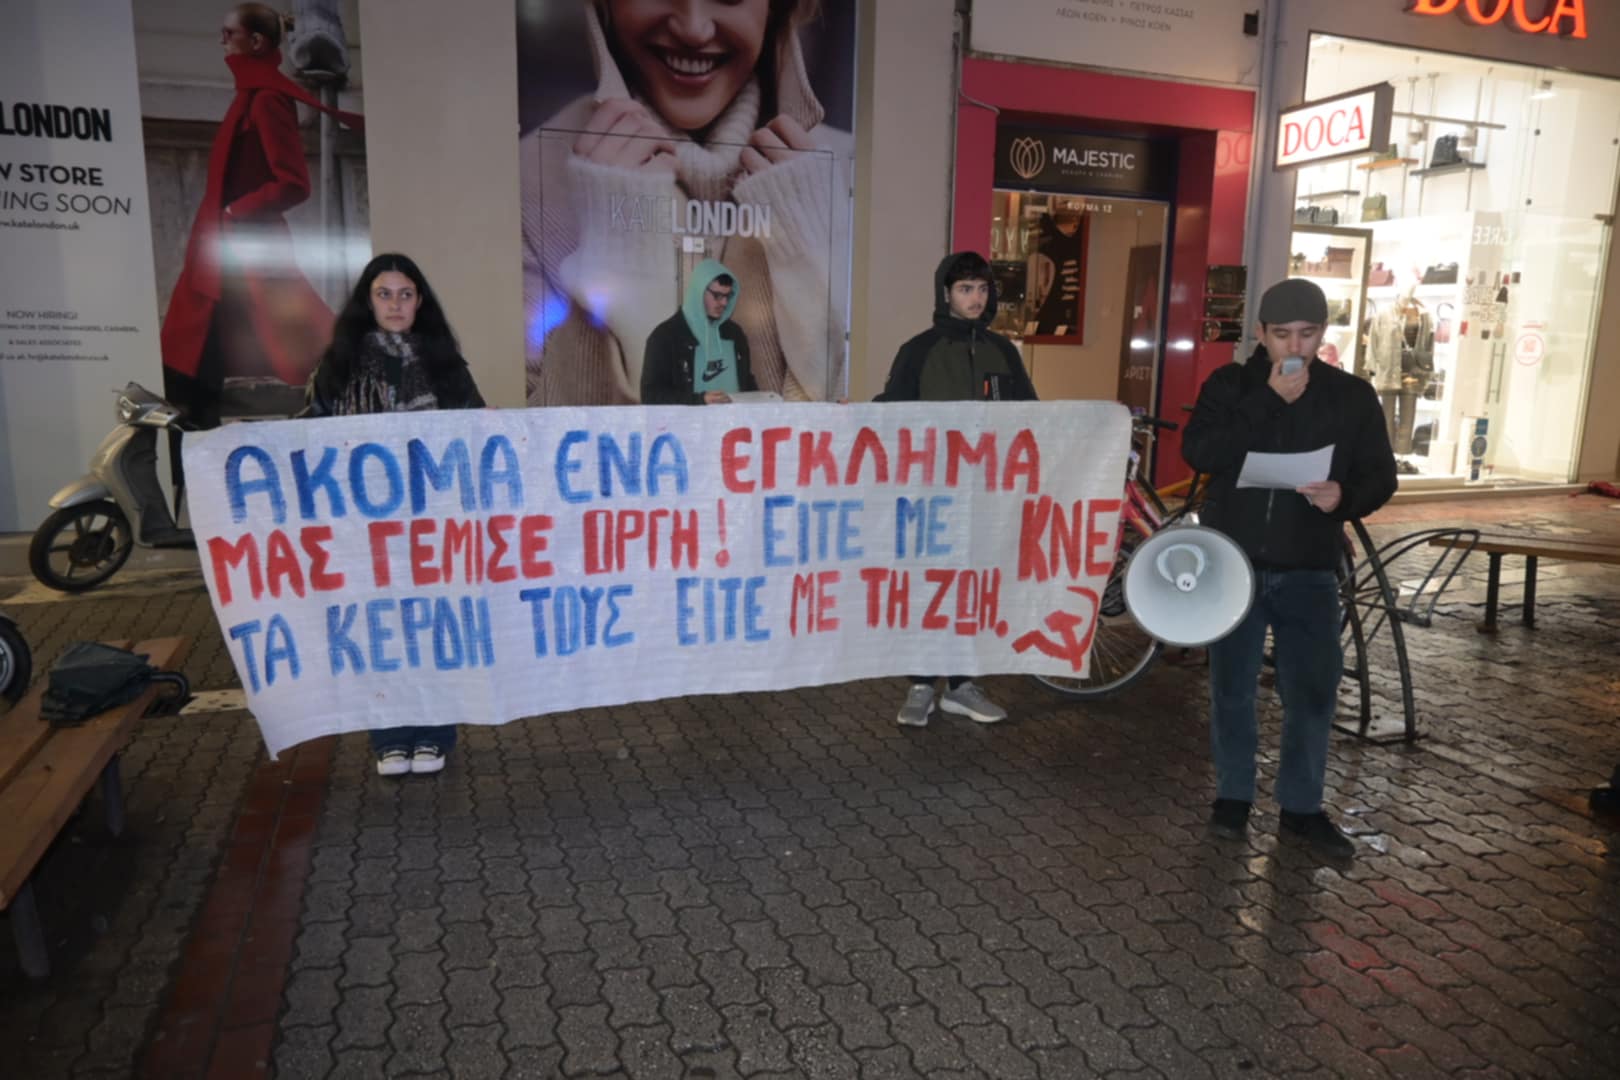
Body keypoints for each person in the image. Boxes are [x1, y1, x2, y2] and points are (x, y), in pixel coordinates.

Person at [520, 0, 851, 406]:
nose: (694, 29)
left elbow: (876, 419)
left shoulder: (854, 171)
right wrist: (616, 269)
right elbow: (524, 436)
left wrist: (812, 265)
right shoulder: (526, 181)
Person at [1182, 278, 1397, 857]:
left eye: (1306, 334)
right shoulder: (1231, 385)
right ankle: (1232, 797)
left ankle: (1301, 808)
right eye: (1281, 334)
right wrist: (1269, 400)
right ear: (1260, 333)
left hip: (1309, 566)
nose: (1294, 346)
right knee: (1232, 688)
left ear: (1323, 333)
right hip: (1236, 563)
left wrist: (1344, 497)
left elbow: (1381, 475)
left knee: (1313, 692)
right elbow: (1201, 452)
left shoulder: (1351, 396)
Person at [160, 2, 362, 487]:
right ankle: (200, 481)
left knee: (196, 369)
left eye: (229, 33)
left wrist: (236, 213)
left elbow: (293, 183)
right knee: (191, 370)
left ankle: (207, 482)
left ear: (256, 42)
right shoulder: (252, 96)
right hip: (225, 253)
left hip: (243, 255)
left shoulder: (267, 100)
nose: (221, 41)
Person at [302, 254, 486, 777]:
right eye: (384, 294)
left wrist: (492, 427)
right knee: (380, 632)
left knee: (432, 629)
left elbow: (473, 426)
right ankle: (389, 736)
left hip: (431, 525)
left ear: (420, 301)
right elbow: (307, 433)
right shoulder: (337, 366)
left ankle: (434, 733)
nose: (395, 304)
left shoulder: (446, 365)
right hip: (365, 529)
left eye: (406, 294)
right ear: (369, 300)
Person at [878, 251, 1038, 728]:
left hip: (988, 495)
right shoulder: (918, 350)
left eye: (983, 289)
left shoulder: (1004, 352)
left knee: (976, 588)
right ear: (945, 293)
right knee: (931, 587)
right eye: (965, 289)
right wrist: (853, 418)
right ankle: (921, 684)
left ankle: (963, 685)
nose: (976, 298)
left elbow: (1031, 415)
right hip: (931, 496)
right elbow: (891, 413)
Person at [640, 259, 757, 404]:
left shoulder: (735, 333)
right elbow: (650, 396)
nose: (724, 303)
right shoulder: (664, 337)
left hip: (735, 418)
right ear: (698, 291)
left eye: (728, 295)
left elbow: (747, 381)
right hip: (689, 419)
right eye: (717, 295)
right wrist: (699, 400)